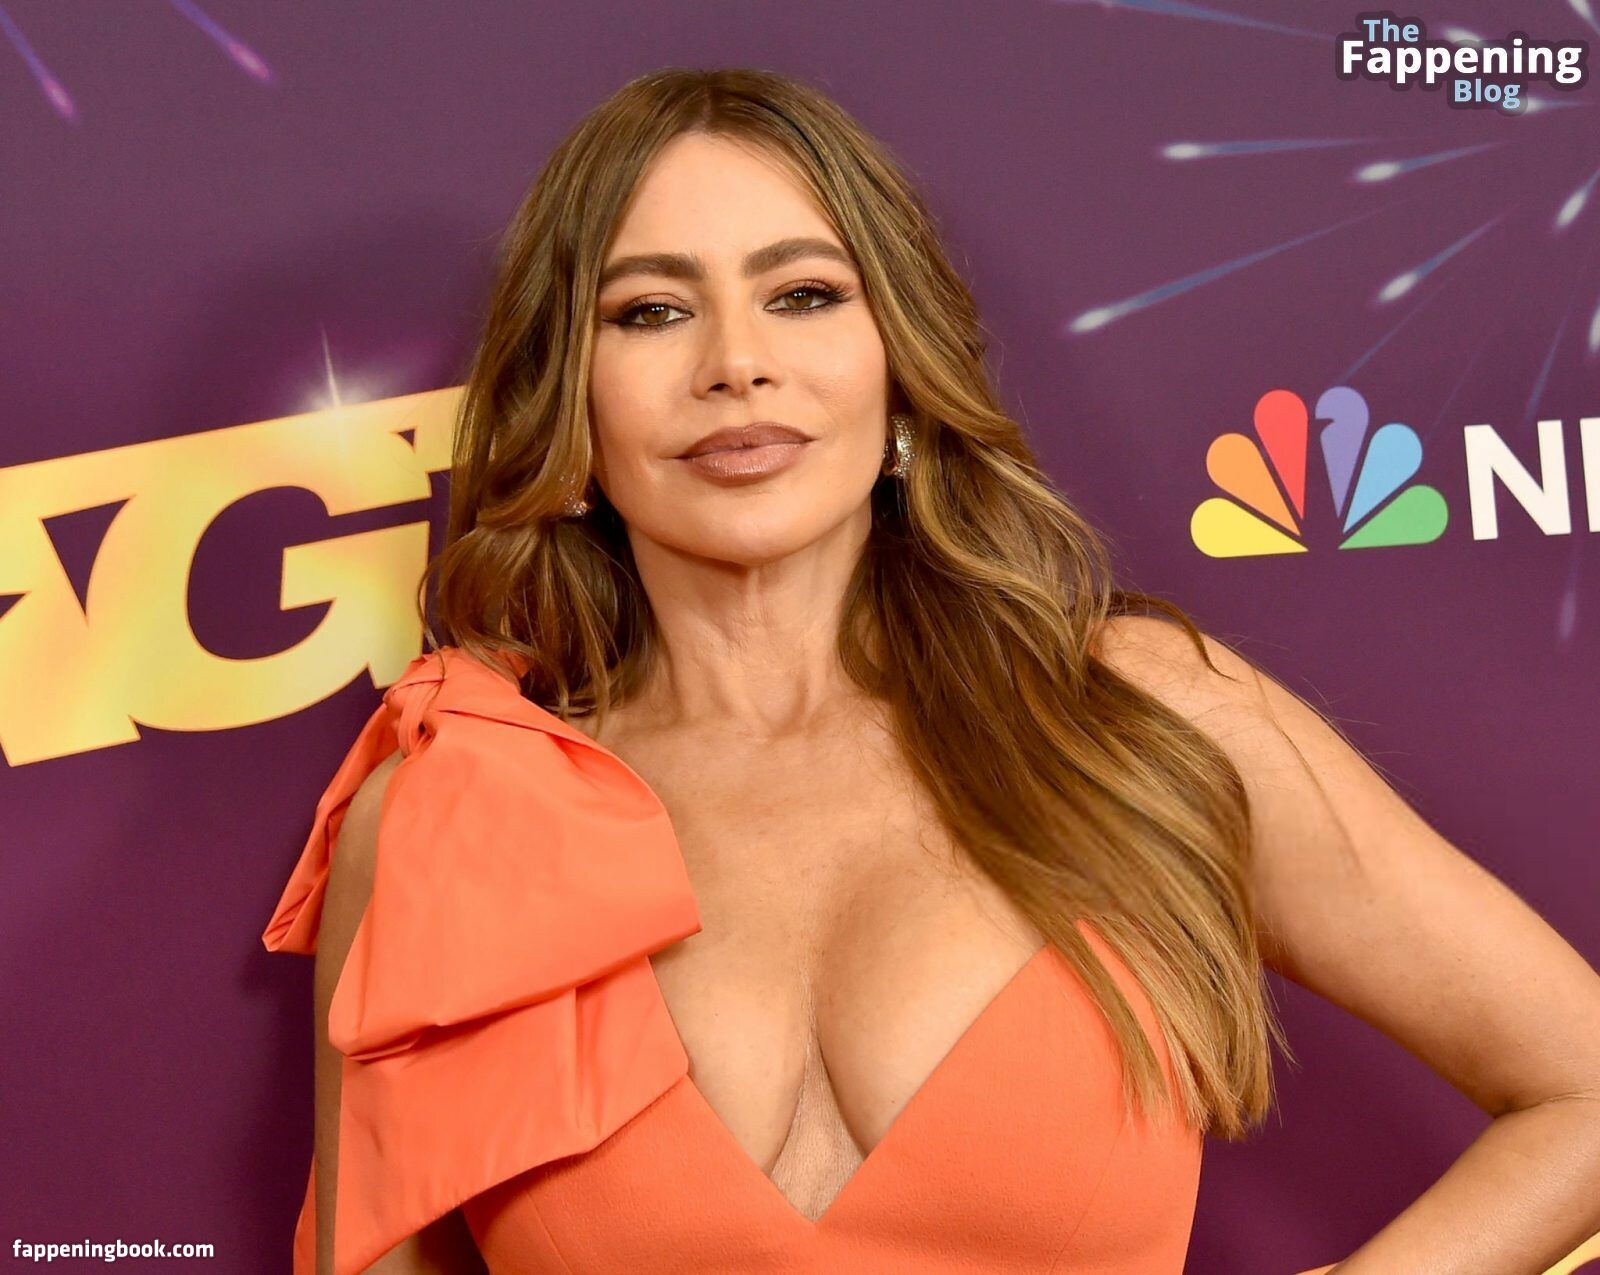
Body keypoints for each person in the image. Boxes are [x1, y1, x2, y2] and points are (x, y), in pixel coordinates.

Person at [262, 66, 1600, 1275]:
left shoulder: (1132, 716)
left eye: (803, 294)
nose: (737, 365)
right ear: (569, 393)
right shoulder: (449, 816)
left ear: (898, 365)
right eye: (651, 311)